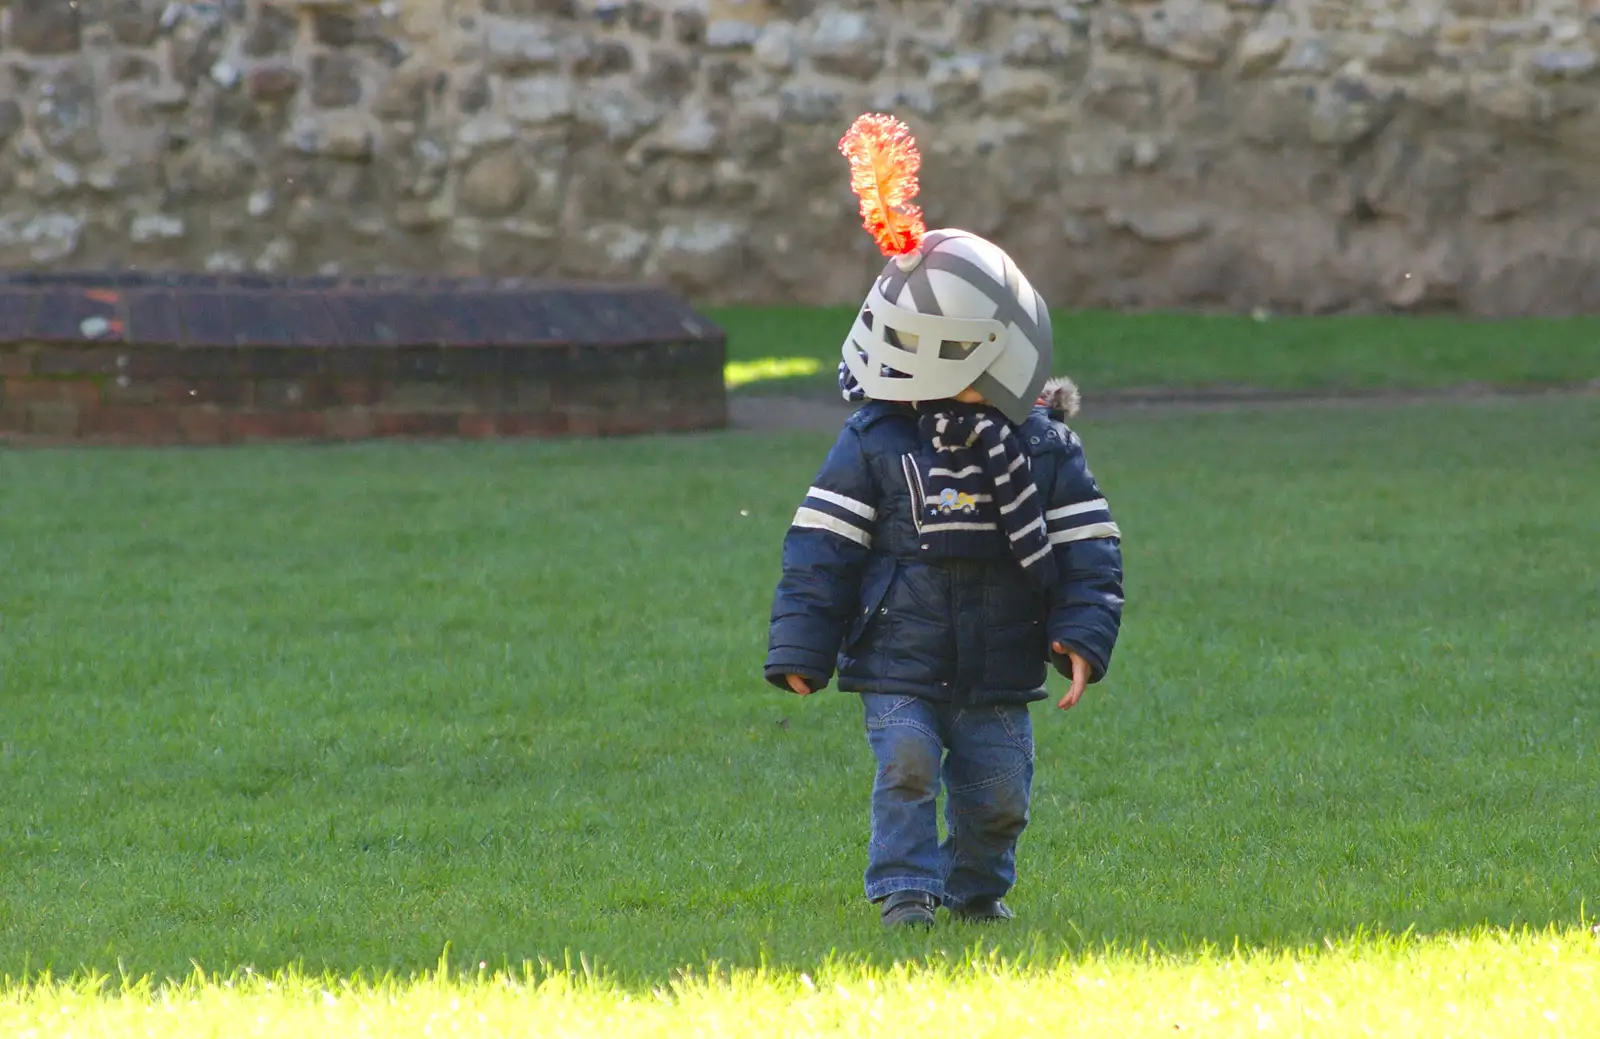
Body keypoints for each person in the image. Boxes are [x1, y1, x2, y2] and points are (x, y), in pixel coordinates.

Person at [763, 114, 1125, 928]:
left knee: (999, 797)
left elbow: (1088, 549)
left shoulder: (1043, 449)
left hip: (998, 661)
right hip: (899, 653)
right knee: (908, 766)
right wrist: (801, 645)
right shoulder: (873, 440)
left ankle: (975, 891)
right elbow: (821, 546)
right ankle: (903, 893)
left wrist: (1081, 635)